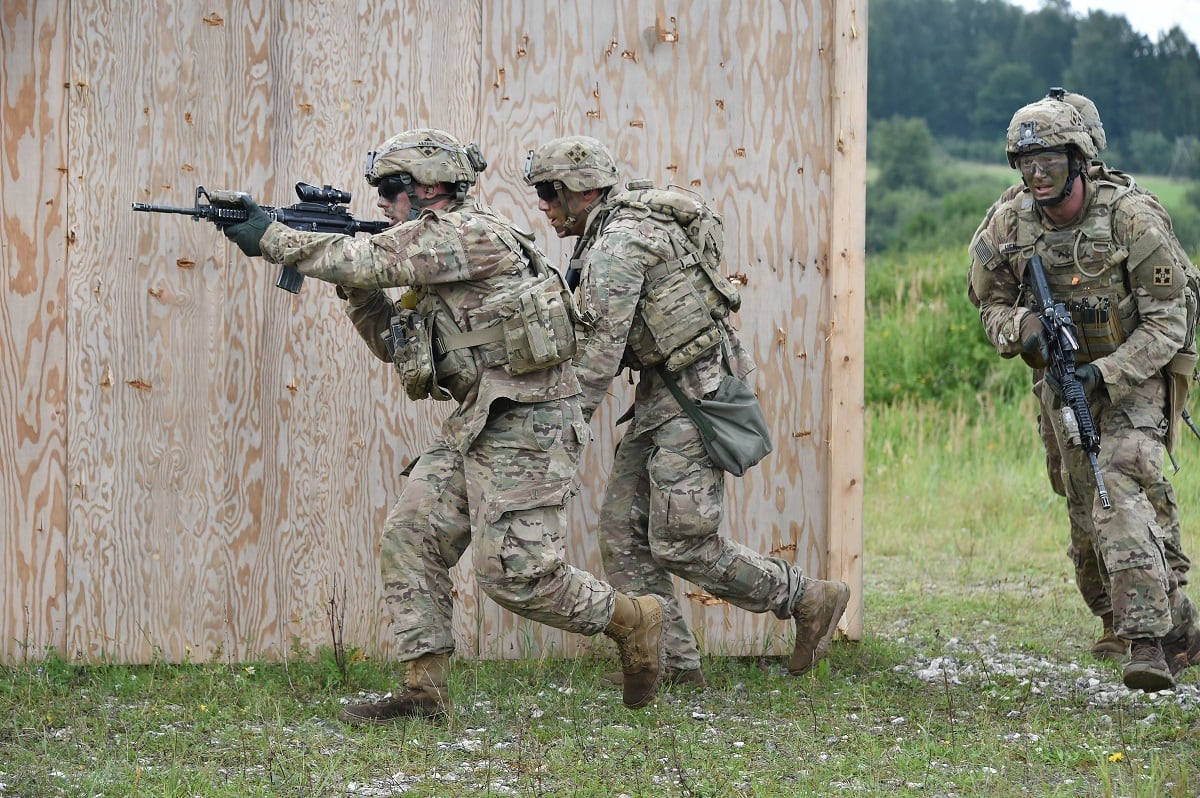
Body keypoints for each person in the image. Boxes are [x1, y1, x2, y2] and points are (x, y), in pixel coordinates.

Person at [220, 128, 667, 721]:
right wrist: (354, 290)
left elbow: (372, 258)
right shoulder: (428, 257)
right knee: (412, 537)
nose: (379, 201)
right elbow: (391, 343)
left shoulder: (472, 236)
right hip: (479, 417)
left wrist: (272, 236)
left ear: (428, 187)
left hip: (530, 418)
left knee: (517, 575)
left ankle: (635, 619)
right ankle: (423, 694)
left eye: (389, 188)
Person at [522, 135, 850, 688]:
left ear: (582, 190)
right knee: (623, 533)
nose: (544, 207)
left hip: (693, 400)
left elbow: (596, 362)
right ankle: (673, 665)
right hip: (663, 396)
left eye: (550, 194)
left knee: (681, 541)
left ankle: (807, 597)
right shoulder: (610, 233)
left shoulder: (618, 247)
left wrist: (552, 439)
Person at [968, 98, 1200, 691]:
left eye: (1047, 159)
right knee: (1084, 507)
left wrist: (1109, 374)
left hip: (1138, 372)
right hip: (1062, 377)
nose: (1036, 174)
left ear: (1079, 158)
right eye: (1025, 163)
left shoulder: (1132, 219)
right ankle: (1153, 619)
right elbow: (987, 302)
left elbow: (1170, 323)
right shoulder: (1007, 224)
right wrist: (1021, 331)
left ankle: (1146, 639)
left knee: (1117, 476)